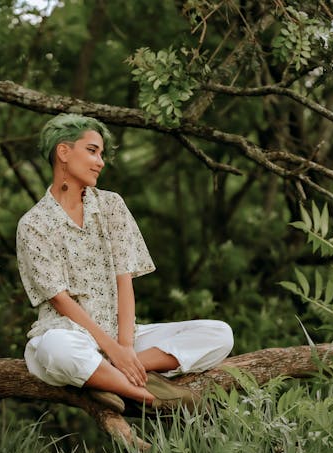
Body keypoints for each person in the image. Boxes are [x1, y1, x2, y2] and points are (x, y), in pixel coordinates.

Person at [16, 113, 233, 413]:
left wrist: (124, 348)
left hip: (124, 334)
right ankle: (151, 397)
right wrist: (113, 349)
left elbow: (124, 280)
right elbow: (61, 300)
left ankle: (107, 379)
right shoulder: (34, 224)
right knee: (55, 351)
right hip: (69, 333)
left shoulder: (111, 205)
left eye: (101, 154)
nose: (100, 162)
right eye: (92, 150)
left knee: (220, 334)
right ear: (63, 152)